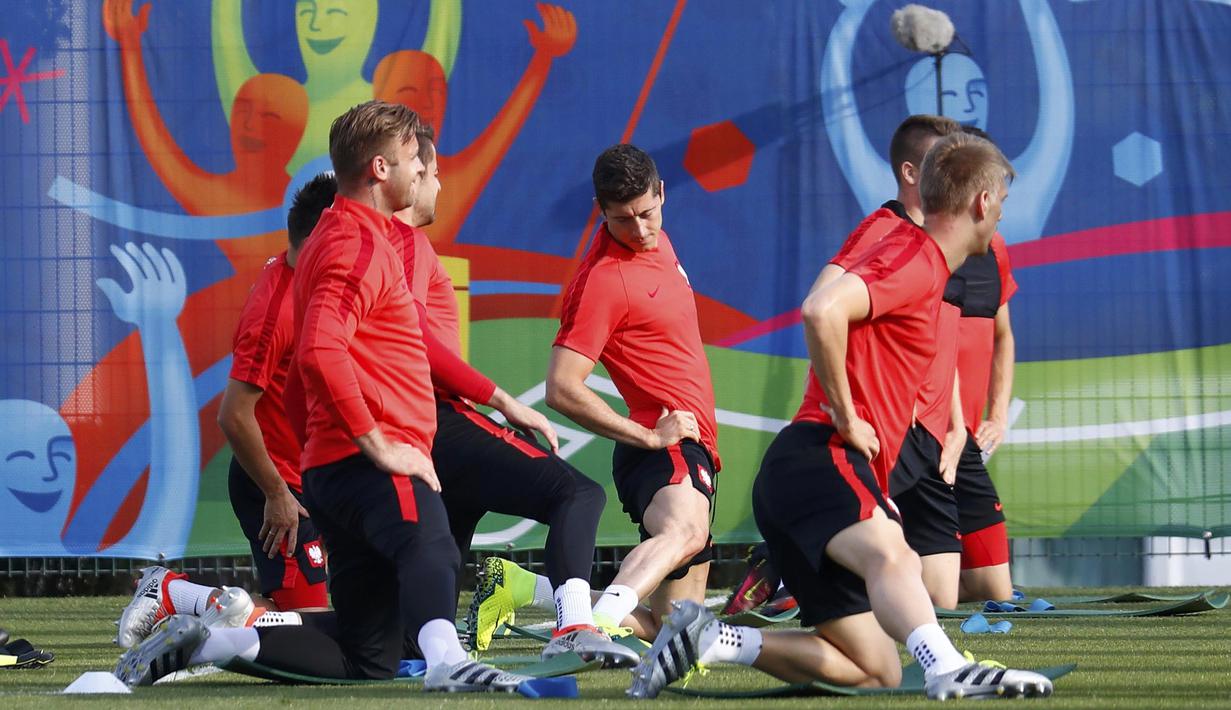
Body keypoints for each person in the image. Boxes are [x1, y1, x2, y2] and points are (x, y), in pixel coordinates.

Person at [113, 101, 528, 692]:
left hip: (332, 467)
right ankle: (448, 663)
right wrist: (377, 445)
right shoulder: (352, 244)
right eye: (415, 159)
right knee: (431, 544)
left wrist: (322, 454)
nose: (423, 170)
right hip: (362, 460)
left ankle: (215, 638)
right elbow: (318, 352)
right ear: (381, 169)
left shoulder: (351, 238)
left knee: (369, 654)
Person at [629, 132, 1053, 701]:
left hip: (806, 476)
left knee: (872, 666)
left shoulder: (922, 264)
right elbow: (820, 308)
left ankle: (710, 640)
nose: (1002, 211)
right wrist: (849, 418)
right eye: (1001, 198)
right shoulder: (917, 259)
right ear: (982, 204)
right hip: (822, 456)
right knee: (894, 553)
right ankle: (946, 665)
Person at [389, 128, 626, 666]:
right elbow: (415, 341)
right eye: (433, 173)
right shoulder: (397, 242)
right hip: (435, 421)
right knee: (578, 495)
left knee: (408, 637)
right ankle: (572, 627)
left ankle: (227, 629)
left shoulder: (370, 243)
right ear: (410, 176)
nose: (439, 186)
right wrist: (503, 400)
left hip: (414, 430)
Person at [113, 175, 338, 652]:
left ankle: (209, 606)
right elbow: (233, 416)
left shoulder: (321, 284)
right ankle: (181, 595)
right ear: (323, 234)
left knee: (368, 622)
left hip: (323, 476)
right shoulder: (277, 307)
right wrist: (276, 492)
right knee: (314, 640)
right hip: (282, 488)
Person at [951, 126, 1020, 603]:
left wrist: (996, 415)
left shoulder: (994, 250)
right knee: (931, 593)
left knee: (991, 590)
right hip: (920, 439)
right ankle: (792, 569)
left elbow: (1003, 334)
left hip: (966, 440)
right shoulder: (915, 247)